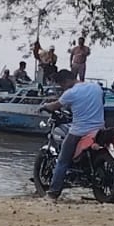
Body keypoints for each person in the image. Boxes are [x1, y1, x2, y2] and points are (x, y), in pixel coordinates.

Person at [41, 69, 105, 200]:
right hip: (99, 129)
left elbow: (55, 106)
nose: (62, 88)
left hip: (80, 131)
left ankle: (53, 193)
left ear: (66, 81)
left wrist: (45, 106)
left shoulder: (70, 93)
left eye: (62, 85)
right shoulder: (96, 87)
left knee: (62, 160)